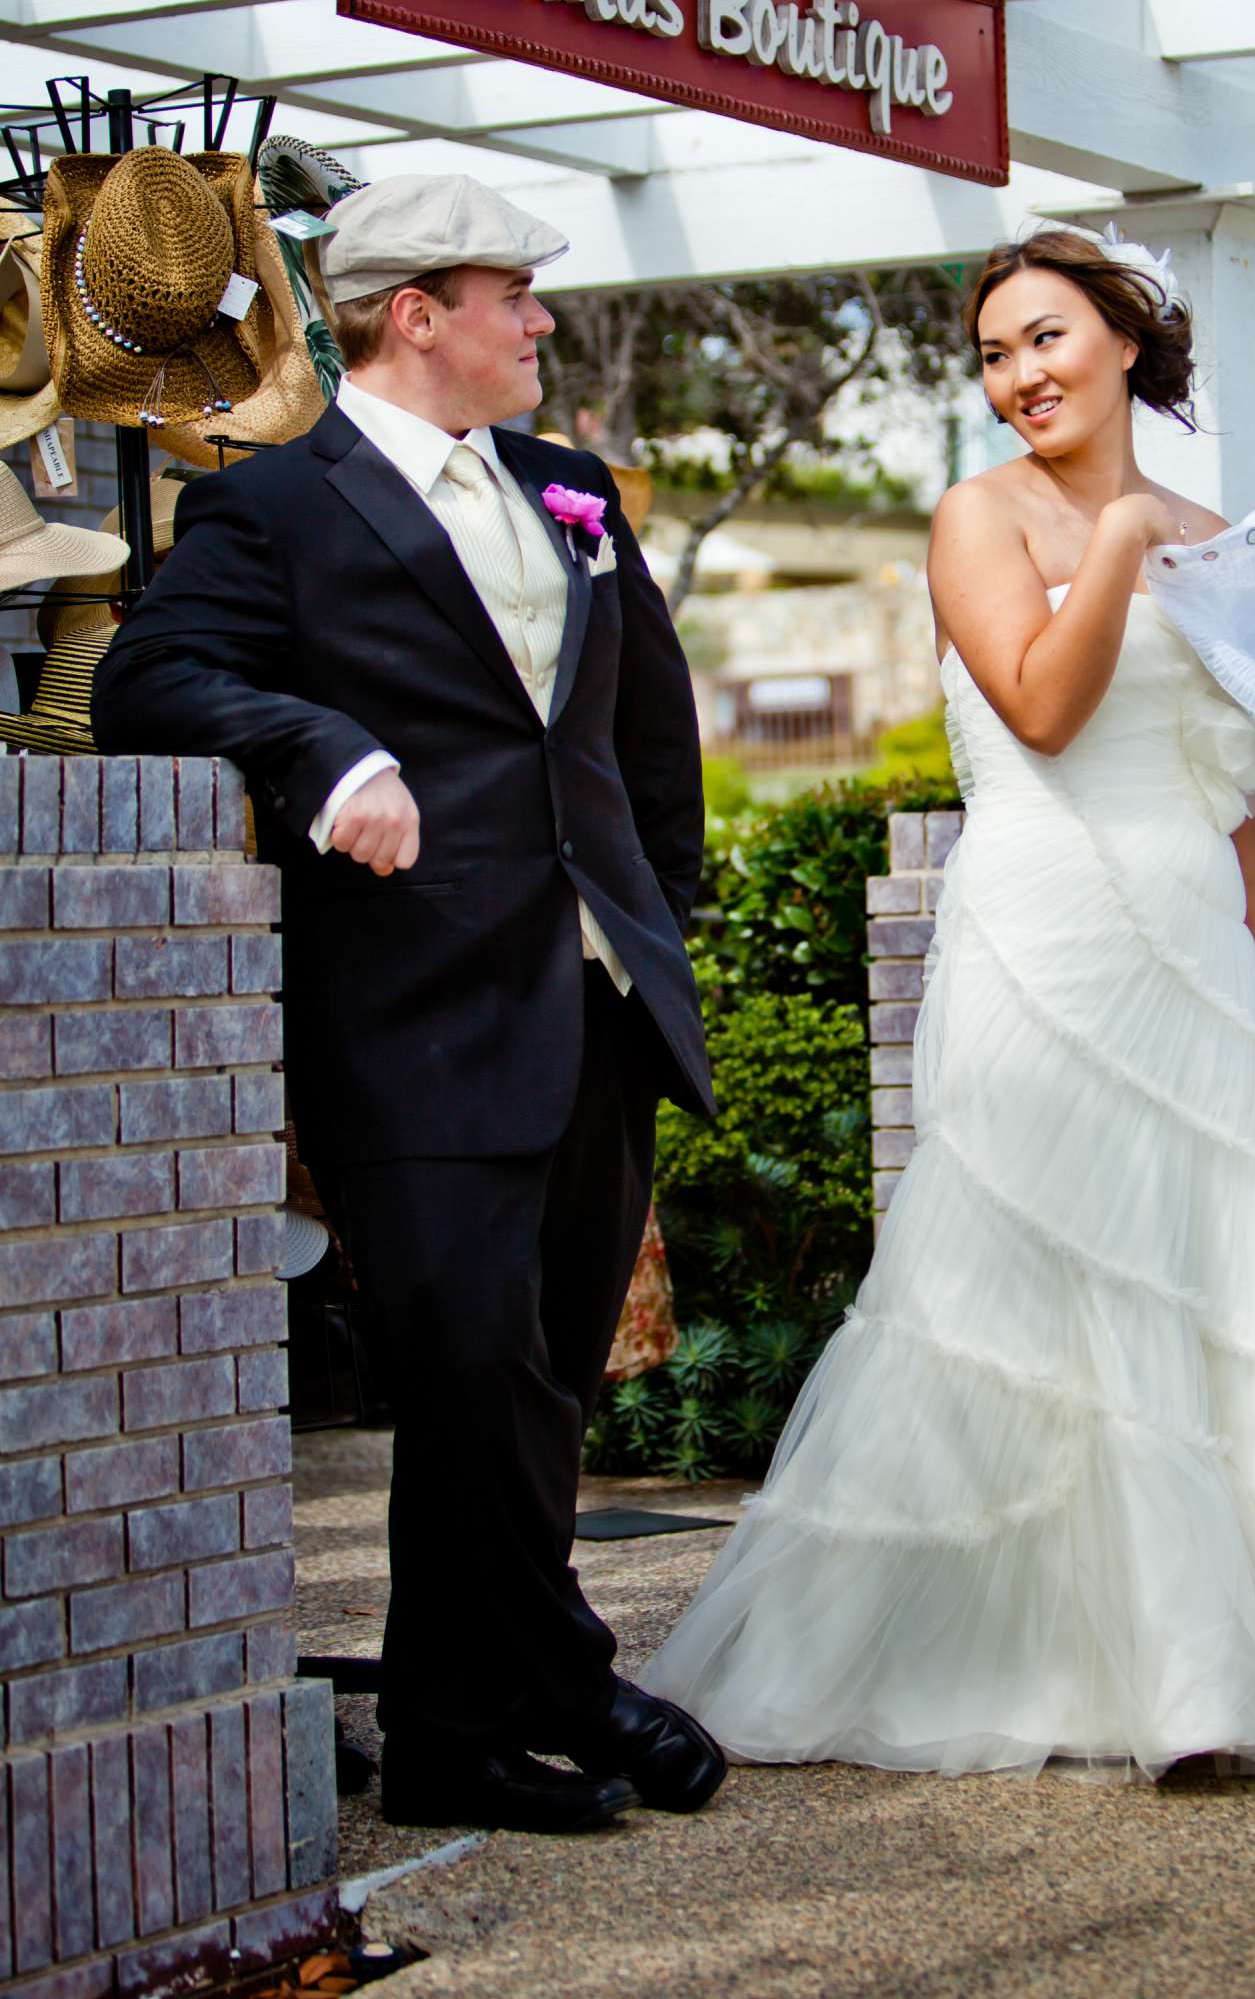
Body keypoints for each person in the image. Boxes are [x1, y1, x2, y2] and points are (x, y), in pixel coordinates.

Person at [643, 226, 1255, 1779]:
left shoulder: (1221, 535)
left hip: (1188, 943)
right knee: (1031, 1276)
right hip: (1043, 937)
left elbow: (1235, 780)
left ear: (1125, 340)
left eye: (1044, 339)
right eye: (993, 355)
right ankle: (1037, 1650)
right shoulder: (978, 517)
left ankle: (1252, 1661)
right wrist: (1118, 543)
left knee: (1206, 1281)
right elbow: (1045, 712)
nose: (1018, 378)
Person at [93, 175, 726, 1834]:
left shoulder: (578, 492)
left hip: (593, 1000)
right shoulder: (276, 510)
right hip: (414, 1013)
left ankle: (452, 1737)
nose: (539, 320)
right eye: (510, 292)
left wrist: (664, 919)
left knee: (544, 1383)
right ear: (411, 312)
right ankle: (574, 1680)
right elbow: (144, 677)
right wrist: (326, 749)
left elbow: (645, 736)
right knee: (467, 1371)